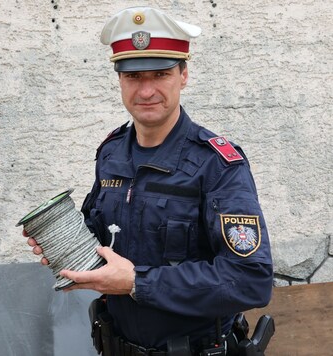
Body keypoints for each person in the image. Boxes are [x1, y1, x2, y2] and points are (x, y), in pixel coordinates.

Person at [23, 6, 273, 355]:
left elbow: (251, 280)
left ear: (183, 75)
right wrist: (64, 245)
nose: (146, 91)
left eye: (160, 74)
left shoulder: (217, 165)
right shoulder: (112, 154)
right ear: (119, 80)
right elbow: (104, 239)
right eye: (133, 77)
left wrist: (137, 283)